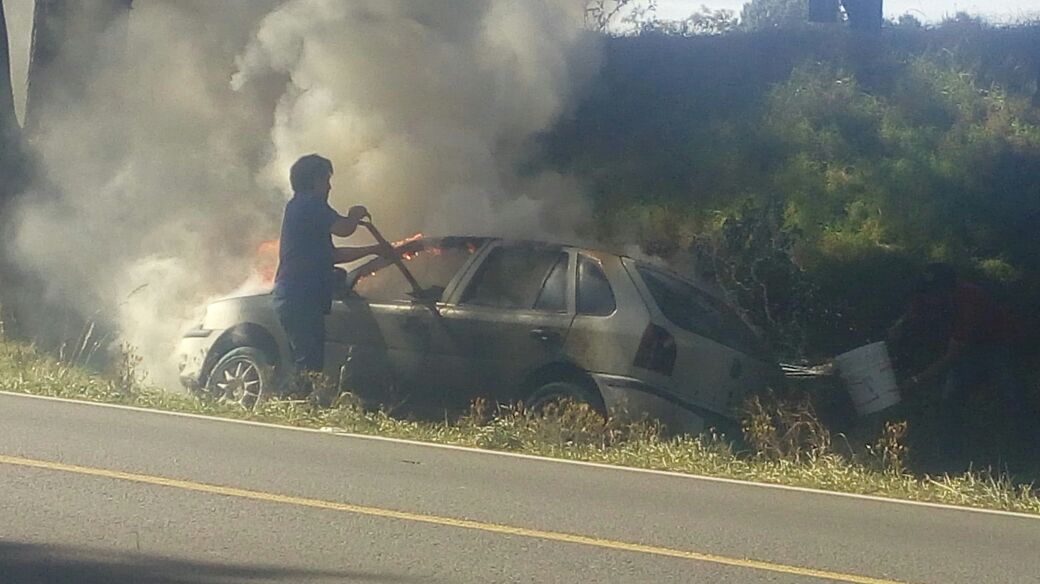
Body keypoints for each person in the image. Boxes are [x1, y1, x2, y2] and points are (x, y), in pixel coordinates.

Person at [273, 154, 390, 402]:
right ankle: (290, 403)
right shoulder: (308, 205)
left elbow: (333, 255)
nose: (329, 186)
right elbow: (344, 229)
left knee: (311, 358)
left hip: (304, 297)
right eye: (325, 179)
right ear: (312, 181)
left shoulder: (307, 208)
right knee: (307, 359)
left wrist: (374, 250)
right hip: (298, 295)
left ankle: (294, 402)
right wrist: (354, 214)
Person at [888, 263, 1027, 460]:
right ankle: (950, 455)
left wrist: (916, 380)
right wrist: (899, 326)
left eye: (934, 293)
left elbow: (951, 357)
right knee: (950, 400)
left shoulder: (970, 303)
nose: (929, 298)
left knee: (1010, 394)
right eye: (927, 293)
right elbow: (913, 310)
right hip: (965, 345)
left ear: (948, 290)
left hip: (996, 344)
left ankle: (1023, 449)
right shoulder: (930, 295)